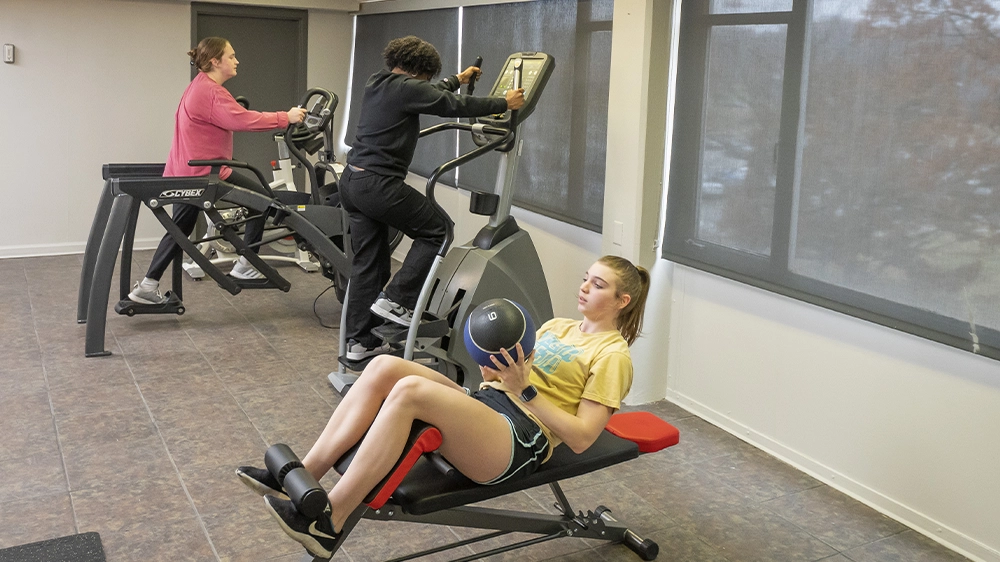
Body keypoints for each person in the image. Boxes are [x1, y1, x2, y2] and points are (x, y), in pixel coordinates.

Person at [237, 255, 651, 559]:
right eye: (585, 278)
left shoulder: (613, 355)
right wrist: (496, 373)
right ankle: (302, 475)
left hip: (521, 440)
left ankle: (329, 521)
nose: (584, 287)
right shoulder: (555, 326)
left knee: (412, 392)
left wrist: (524, 390)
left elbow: (580, 438)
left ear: (622, 301)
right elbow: (504, 379)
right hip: (492, 404)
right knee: (384, 366)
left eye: (598, 285)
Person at [339, 36, 526, 361]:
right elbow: (449, 104)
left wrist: (460, 78)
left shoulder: (379, 82)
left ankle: (359, 343)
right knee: (438, 229)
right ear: (422, 71)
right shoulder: (409, 88)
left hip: (353, 182)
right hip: (377, 183)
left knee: (368, 262)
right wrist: (502, 103)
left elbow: (431, 92)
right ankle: (398, 299)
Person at [127, 37, 307, 305]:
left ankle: (147, 285)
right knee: (264, 201)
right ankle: (246, 264)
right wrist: (286, 117)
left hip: (185, 171)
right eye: (231, 56)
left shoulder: (197, 86)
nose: (236, 61)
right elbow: (243, 120)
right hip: (205, 173)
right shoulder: (211, 92)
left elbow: (229, 117)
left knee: (179, 229)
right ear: (215, 61)